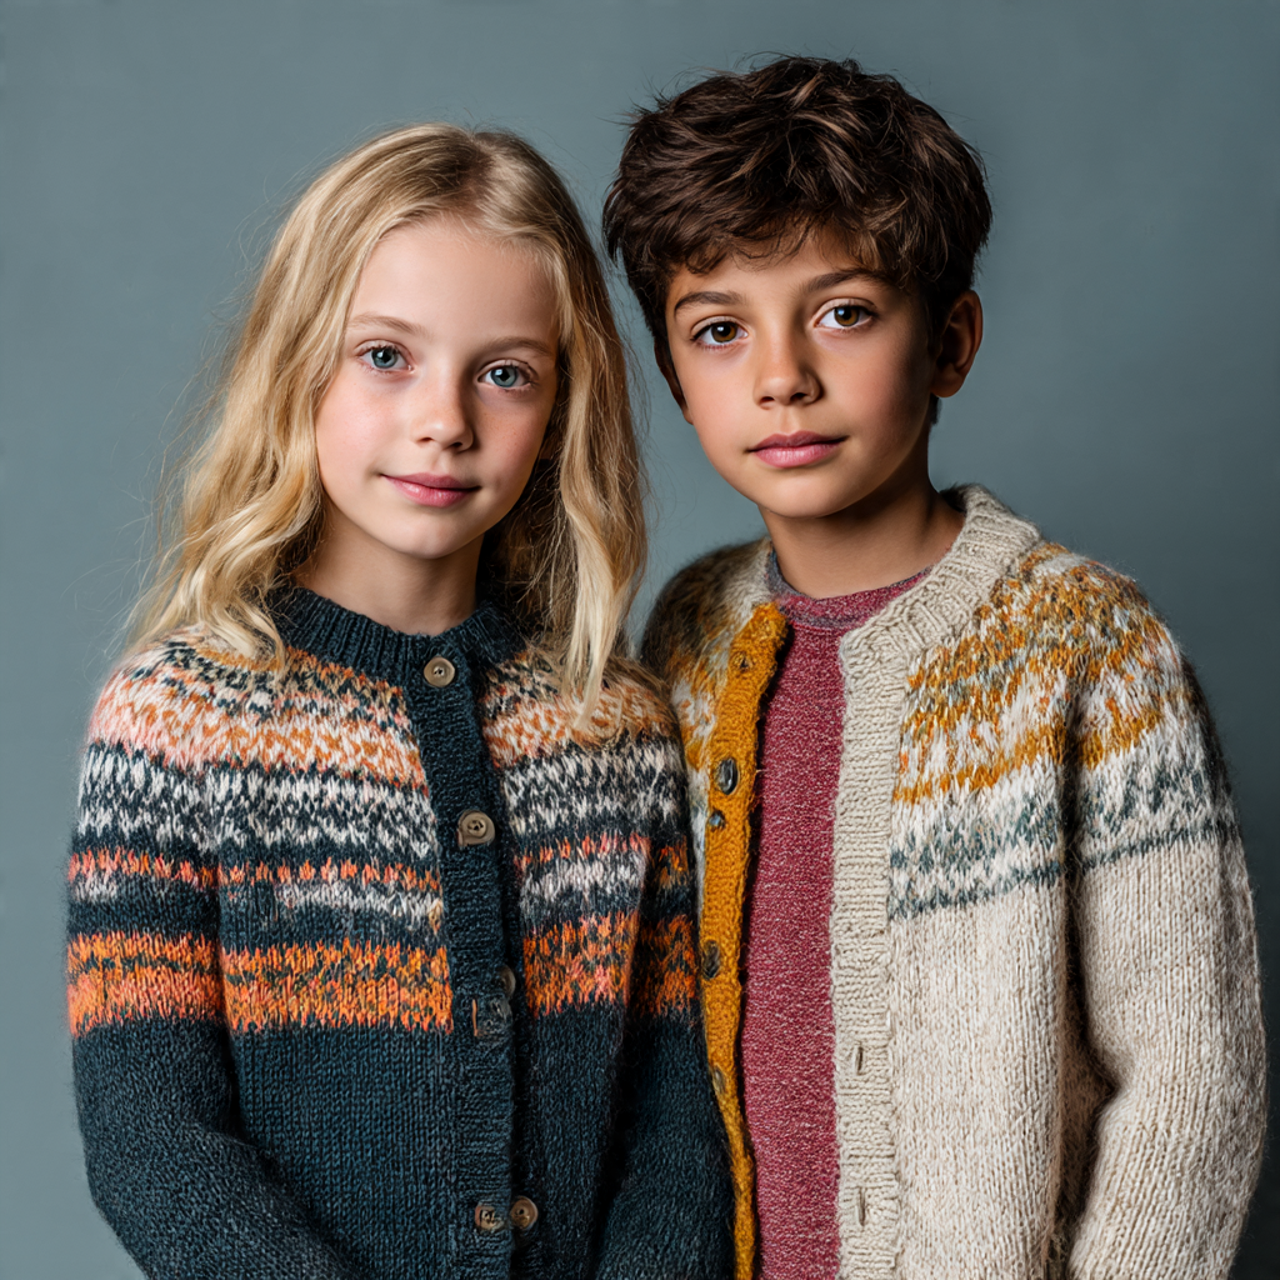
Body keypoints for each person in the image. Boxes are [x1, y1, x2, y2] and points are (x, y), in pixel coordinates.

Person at [603, 56, 1266, 1280]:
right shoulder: (687, 633)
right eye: (718, 329)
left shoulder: (1086, 648)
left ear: (948, 339)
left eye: (842, 311)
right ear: (671, 375)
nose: (781, 375)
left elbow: (1190, 1080)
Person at [66, 123, 731, 1280]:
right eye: (385, 355)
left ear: (560, 408)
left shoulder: (611, 720)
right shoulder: (175, 718)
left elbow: (677, 1107)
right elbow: (151, 1138)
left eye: (504, 372)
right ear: (296, 362)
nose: (446, 418)